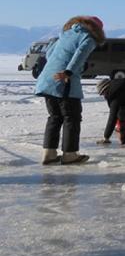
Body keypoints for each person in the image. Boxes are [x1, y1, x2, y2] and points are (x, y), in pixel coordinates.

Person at [34, 16, 106, 165]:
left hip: (47, 79)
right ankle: (70, 154)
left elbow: (48, 54)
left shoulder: (65, 34)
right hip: (64, 81)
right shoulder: (88, 38)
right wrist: (69, 72)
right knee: (71, 118)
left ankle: (49, 154)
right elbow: (80, 55)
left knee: (54, 117)